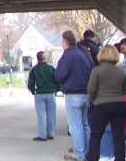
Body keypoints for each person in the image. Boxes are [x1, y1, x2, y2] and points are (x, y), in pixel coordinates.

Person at [86, 45, 126, 161]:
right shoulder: (121, 71)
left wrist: (92, 100)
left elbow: (91, 89)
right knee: (118, 136)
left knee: (96, 135)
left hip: (101, 105)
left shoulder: (96, 70)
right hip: (120, 105)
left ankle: (92, 158)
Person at [54, 30, 93, 161]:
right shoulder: (83, 55)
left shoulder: (67, 56)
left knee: (75, 126)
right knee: (85, 125)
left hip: (73, 93)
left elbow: (59, 74)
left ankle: (79, 153)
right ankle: (87, 151)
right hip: (85, 93)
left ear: (65, 42)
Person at [28, 51, 61, 142]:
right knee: (51, 114)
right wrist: (57, 89)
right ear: (44, 58)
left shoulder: (34, 70)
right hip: (50, 93)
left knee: (41, 115)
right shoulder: (51, 68)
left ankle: (42, 135)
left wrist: (33, 91)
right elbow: (57, 80)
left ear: (37, 58)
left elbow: (30, 83)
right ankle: (50, 133)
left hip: (39, 93)